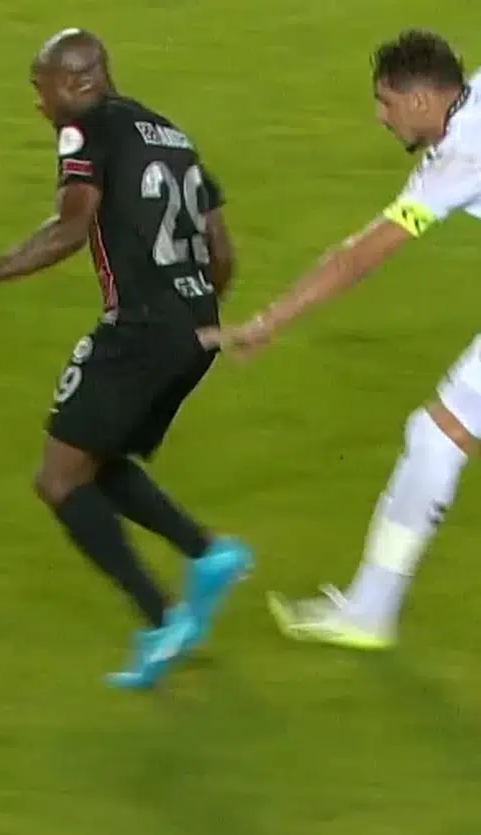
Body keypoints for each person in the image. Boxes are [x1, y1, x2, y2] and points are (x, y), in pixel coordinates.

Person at [0, 28, 252, 688]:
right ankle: (207, 553)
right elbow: (223, 252)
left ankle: (162, 618)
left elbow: (71, 228)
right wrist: (195, 318)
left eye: (41, 89)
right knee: (93, 456)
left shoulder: (85, 129)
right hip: (197, 331)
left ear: (77, 81)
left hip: (140, 329)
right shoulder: (172, 135)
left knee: (59, 480)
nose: (39, 104)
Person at [201, 30, 479, 650]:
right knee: (437, 435)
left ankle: (369, 612)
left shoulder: (459, 158)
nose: (380, 116)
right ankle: (369, 610)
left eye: (386, 102)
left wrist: (268, 321)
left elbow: (359, 257)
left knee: (436, 437)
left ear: (422, 99)